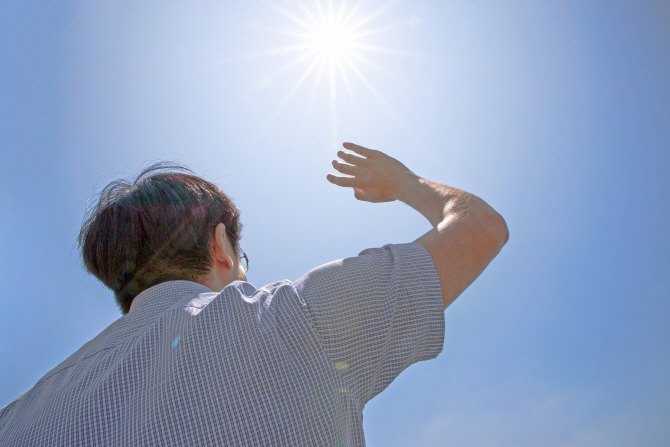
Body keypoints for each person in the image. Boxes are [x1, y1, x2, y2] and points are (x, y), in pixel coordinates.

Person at [0, 143, 508, 446]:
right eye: (245, 261)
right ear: (221, 246)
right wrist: (404, 182)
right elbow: (480, 228)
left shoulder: (17, 418)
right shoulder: (292, 320)